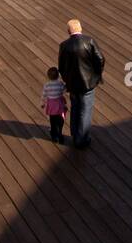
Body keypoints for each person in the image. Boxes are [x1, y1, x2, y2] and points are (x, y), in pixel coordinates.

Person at [57, 19, 104, 149]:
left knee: (75, 108)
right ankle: (82, 139)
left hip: (73, 84)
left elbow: (61, 67)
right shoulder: (89, 41)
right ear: (81, 29)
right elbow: (100, 59)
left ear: (68, 31)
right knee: (85, 110)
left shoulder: (64, 45)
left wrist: (67, 79)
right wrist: (96, 74)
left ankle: (74, 133)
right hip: (87, 83)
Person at [41, 66, 68, 143]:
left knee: (52, 121)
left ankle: (54, 136)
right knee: (61, 119)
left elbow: (44, 95)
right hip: (60, 104)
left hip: (51, 105)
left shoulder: (47, 85)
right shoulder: (60, 83)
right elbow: (64, 90)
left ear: (48, 76)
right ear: (58, 75)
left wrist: (42, 103)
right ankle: (60, 133)